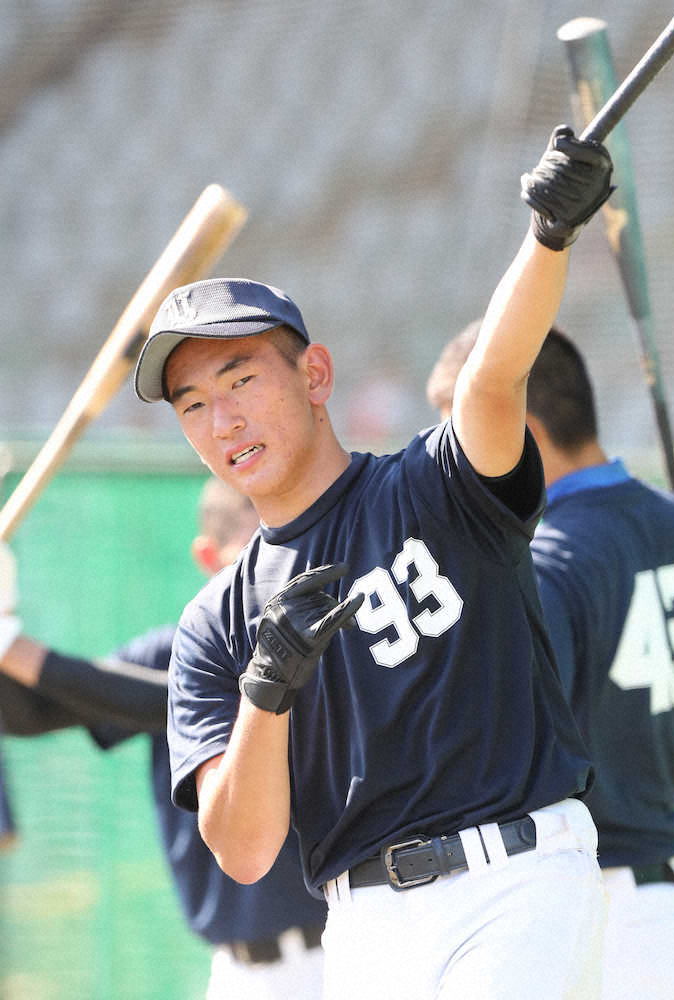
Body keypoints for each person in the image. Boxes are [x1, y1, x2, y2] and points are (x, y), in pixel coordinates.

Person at [133, 124, 614, 1000]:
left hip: (516, 881)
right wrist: (266, 690)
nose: (222, 421)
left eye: (241, 380)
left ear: (314, 373)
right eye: (193, 404)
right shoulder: (217, 624)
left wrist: (549, 237)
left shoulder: (433, 484)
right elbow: (242, 851)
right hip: (359, 928)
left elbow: (492, 379)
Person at [426, 323, 674, 1000]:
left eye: (462, 443)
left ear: (523, 432)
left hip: (578, 916)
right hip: (665, 918)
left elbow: (508, 755)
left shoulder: (539, 561)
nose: (451, 474)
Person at [0, 477, 326, 1000]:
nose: (273, 575)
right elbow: (31, 712)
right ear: (208, 555)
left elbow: (161, 701)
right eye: (253, 553)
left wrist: (14, 648)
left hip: (337, 953)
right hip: (238, 972)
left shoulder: (318, 648)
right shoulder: (179, 650)